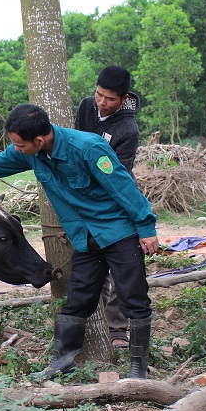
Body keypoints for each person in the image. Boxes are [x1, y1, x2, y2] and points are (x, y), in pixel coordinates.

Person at [0, 103, 159, 380]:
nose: (16, 150)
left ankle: (137, 368)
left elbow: (123, 187)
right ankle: (62, 361)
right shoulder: (31, 153)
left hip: (118, 232)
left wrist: (146, 226)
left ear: (39, 140)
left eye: (19, 145)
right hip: (85, 237)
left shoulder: (88, 148)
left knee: (133, 298)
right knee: (78, 299)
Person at [74, 65, 141, 349]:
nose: (102, 102)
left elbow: (118, 174)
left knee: (118, 266)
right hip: (83, 197)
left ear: (123, 98)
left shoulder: (128, 129)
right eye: (99, 94)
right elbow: (76, 144)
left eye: (109, 99)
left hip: (115, 199)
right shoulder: (86, 107)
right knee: (91, 259)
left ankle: (117, 329)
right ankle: (91, 322)